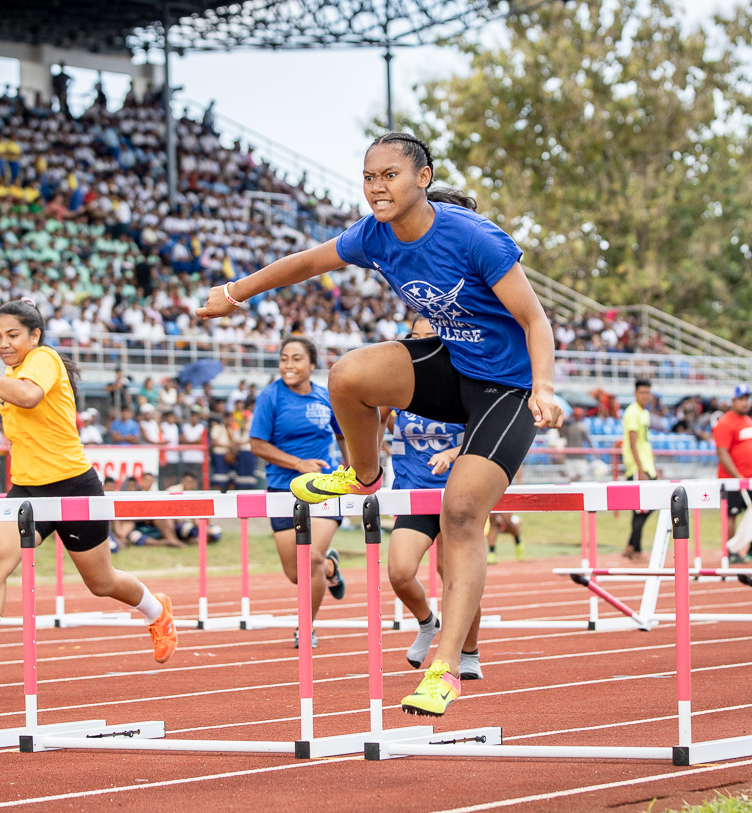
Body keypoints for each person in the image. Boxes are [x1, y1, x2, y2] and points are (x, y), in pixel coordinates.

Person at [197, 132, 561, 715]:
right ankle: (363, 474)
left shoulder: (473, 237)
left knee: (463, 511)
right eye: (369, 177)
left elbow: (534, 317)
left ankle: (445, 669)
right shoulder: (374, 234)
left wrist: (543, 386)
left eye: (389, 175)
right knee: (347, 376)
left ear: (423, 177)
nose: (376, 187)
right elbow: (306, 263)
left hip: (507, 388)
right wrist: (234, 293)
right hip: (454, 365)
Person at [0, 299, 177, 688]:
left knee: (102, 583)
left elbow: (28, 397)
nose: (4, 343)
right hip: (28, 489)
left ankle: (156, 610)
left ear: (35, 336)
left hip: (73, 485)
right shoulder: (11, 371)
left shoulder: (43, 359)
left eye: (12, 335)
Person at [384, 315, 482, 678]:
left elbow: (487, 432)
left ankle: (468, 652)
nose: (422, 342)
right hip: (414, 494)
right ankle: (427, 622)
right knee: (399, 572)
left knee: (456, 576)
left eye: (431, 336)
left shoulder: (465, 379)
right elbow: (375, 419)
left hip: (459, 496)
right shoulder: (396, 386)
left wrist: (453, 453)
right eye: (415, 336)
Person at [247, 336, 348, 648]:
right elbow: (257, 445)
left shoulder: (325, 397)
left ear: (312, 364)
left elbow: (344, 435)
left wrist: (353, 468)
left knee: (311, 558)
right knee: (296, 574)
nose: (288, 365)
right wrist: (298, 463)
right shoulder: (270, 397)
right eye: (284, 358)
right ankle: (330, 566)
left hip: (325, 485)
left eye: (296, 358)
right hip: (282, 488)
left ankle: (306, 627)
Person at [714, 385, 752, 563]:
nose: (745, 402)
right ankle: (730, 551)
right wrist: (737, 476)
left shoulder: (747, 420)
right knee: (732, 514)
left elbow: (750, 449)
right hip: (731, 480)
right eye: (741, 399)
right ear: (733, 401)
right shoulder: (724, 423)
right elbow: (722, 453)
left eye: (747, 399)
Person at [622, 379, 657, 560]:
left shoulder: (645, 413)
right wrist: (640, 469)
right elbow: (633, 443)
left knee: (648, 507)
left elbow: (645, 443)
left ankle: (631, 546)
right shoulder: (632, 413)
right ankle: (635, 549)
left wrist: (652, 467)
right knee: (640, 510)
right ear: (635, 393)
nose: (646, 396)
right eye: (642, 392)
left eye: (648, 393)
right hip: (637, 468)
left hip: (647, 466)